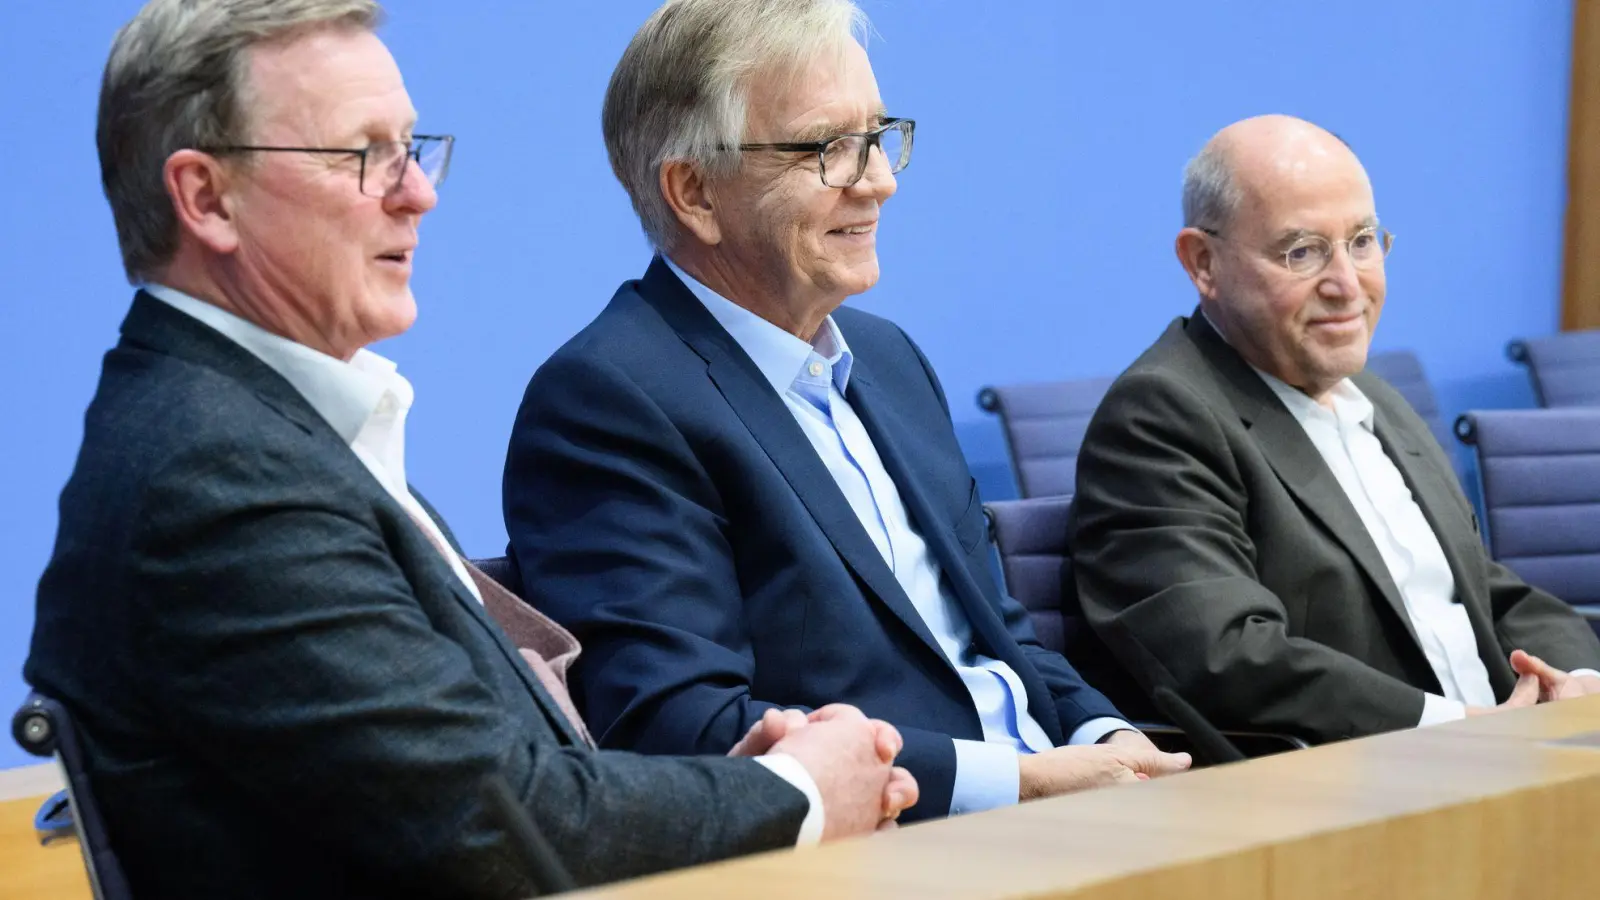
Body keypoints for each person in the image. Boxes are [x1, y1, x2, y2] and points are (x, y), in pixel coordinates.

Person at [25, 2, 915, 897]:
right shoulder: (214, 478)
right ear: (207, 197)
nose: (419, 191)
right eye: (364, 155)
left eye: (412, 147)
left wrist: (733, 781)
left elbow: (489, 779)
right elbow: (499, 827)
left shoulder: (264, 434)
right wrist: (798, 791)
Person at [502, 0, 1189, 825]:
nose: (880, 181)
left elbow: (1002, 637)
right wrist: (1021, 782)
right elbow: (684, 729)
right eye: (828, 148)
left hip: (1061, 812)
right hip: (893, 846)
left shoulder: (888, 359)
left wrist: (1107, 736)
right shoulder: (607, 401)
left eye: (877, 137)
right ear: (694, 192)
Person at [1069, 114, 1600, 744]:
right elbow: (1231, 657)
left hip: (1509, 755)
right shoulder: (1160, 416)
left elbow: (1482, 589)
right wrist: (1463, 730)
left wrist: (1579, 678)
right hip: (1361, 785)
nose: (1347, 285)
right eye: (1302, 251)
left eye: (1362, 241)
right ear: (1203, 262)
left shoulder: (1370, 396)